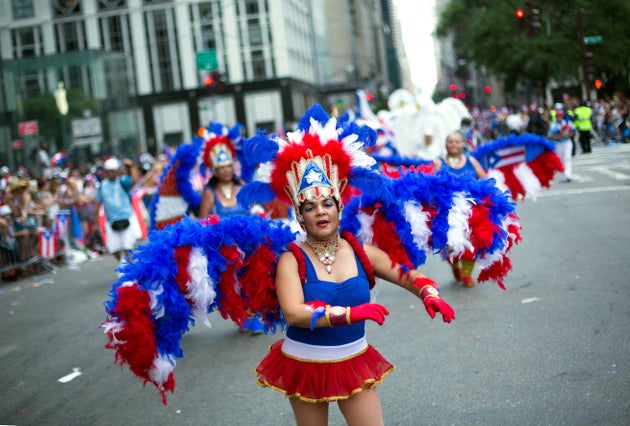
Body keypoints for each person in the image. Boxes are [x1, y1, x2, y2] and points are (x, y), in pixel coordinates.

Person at [253, 118, 455, 426]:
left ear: (339, 208)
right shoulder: (291, 260)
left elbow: (407, 274)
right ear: (299, 215)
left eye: (327, 203)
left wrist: (428, 292)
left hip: (353, 357)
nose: (320, 211)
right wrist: (351, 313)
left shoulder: (361, 251)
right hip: (306, 360)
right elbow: (294, 313)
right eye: (310, 207)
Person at [197, 134, 264, 334]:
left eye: (228, 166)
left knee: (253, 279)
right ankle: (242, 314)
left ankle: (257, 316)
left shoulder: (242, 185)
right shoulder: (209, 193)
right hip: (225, 247)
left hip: (248, 242)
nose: (226, 171)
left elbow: (255, 209)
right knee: (233, 283)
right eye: (221, 168)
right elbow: (203, 220)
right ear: (214, 171)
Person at [433, 132, 488, 287]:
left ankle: (467, 275)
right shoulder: (438, 163)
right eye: (450, 142)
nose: (454, 144)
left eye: (457, 141)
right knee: (450, 245)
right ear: (445, 144)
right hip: (447, 211)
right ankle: (455, 266)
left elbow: (485, 179)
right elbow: (431, 186)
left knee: (470, 242)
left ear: (463, 144)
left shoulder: (471, 160)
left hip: (470, 210)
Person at [93, 157, 140, 269]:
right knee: (113, 248)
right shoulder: (102, 186)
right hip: (111, 221)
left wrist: (132, 166)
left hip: (126, 218)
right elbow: (97, 204)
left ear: (117, 171)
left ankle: (130, 269)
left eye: (113, 171)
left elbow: (134, 180)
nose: (111, 173)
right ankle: (123, 263)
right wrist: (96, 223)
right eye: (109, 171)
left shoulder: (123, 181)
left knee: (127, 246)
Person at [547, 105, 576, 182]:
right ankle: (563, 175)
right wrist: (557, 136)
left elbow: (573, 132)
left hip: (567, 142)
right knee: (561, 160)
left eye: (560, 115)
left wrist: (568, 134)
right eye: (557, 116)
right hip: (558, 144)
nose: (559, 117)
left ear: (562, 115)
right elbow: (549, 136)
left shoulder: (567, 123)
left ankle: (568, 175)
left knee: (567, 158)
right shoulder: (552, 125)